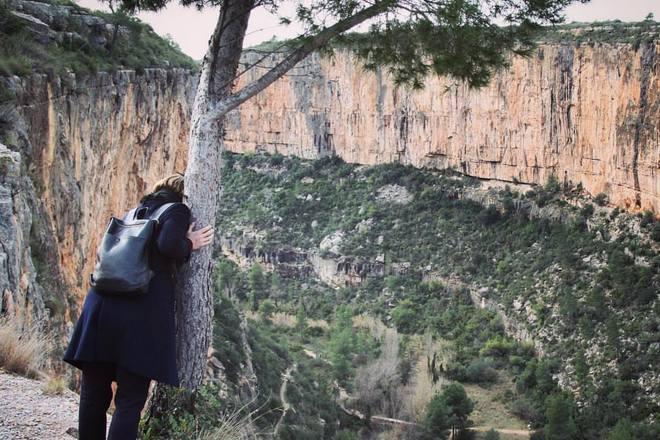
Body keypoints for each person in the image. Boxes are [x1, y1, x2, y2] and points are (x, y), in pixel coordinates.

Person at [62, 173, 214, 440]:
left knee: (93, 395)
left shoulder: (134, 213)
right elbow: (168, 244)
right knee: (130, 400)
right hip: (138, 316)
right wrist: (190, 242)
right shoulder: (177, 210)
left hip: (100, 308)